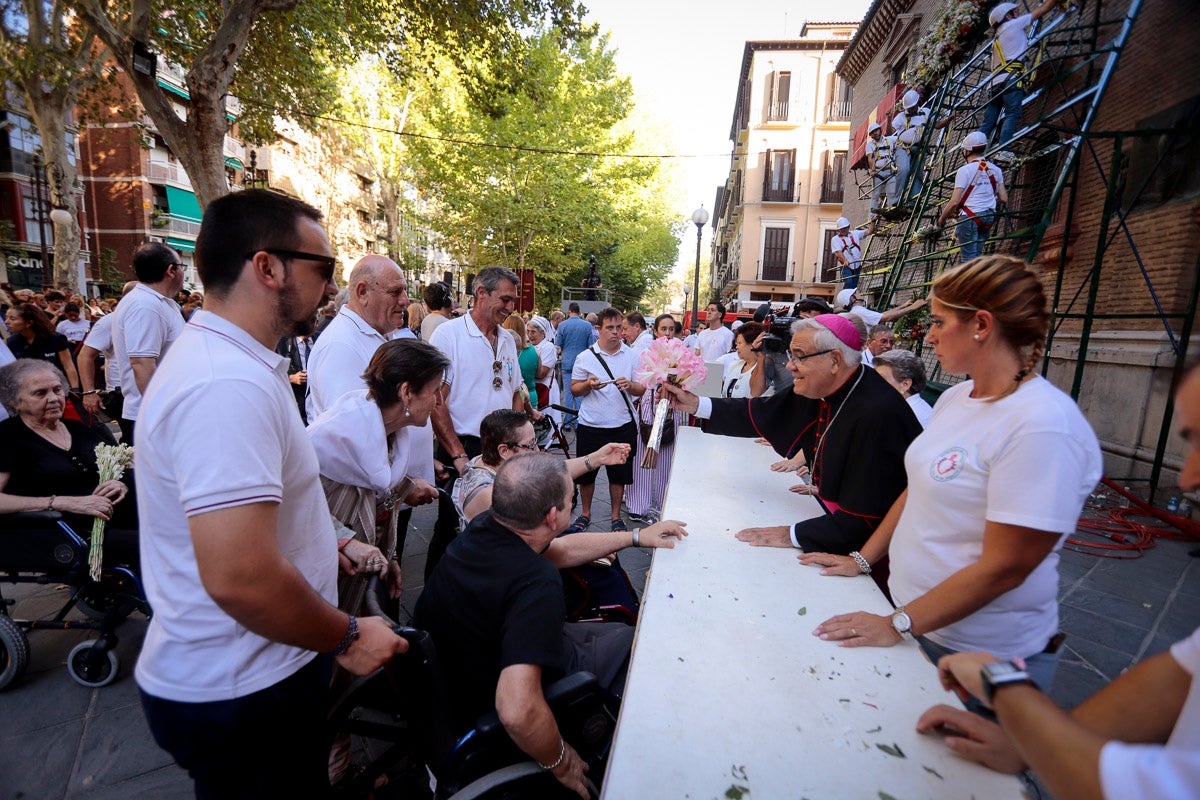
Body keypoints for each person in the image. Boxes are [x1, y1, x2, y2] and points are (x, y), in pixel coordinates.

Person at [133, 189, 406, 798]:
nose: (333, 288)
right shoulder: (223, 382)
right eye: (326, 270)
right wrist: (347, 635)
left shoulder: (237, 365)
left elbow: (257, 521)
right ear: (268, 267)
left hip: (249, 676)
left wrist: (324, 544)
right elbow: (240, 575)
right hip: (241, 689)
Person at [800, 256, 1101, 700]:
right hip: (914, 621)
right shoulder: (959, 396)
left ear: (981, 324)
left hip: (975, 653)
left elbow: (1005, 568)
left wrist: (897, 623)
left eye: (939, 321)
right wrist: (863, 560)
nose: (930, 334)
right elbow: (917, 489)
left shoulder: (1041, 425)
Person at [916, 362, 1200, 800]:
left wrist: (1006, 689)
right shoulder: (957, 397)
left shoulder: (1045, 423)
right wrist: (1025, 744)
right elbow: (1179, 674)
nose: (1188, 477)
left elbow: (1139, 787)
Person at [413, 453, 686, 799]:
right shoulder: (535, 582)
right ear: (554, 515)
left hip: (454, 676)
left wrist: (636, 537)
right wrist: (559, 760)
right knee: (640, 645)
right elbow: (516, 709)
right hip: (493, 703)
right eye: (572, 499)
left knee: (620, 634)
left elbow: (560, 549)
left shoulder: (486, 528)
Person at [663, 314, 922, 555]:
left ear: (834, 360)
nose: (789, 366)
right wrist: (696, 404)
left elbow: (869, 515)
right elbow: (761, 412)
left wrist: (794, 534)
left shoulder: (879, 412)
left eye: (799, 356)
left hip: (874, 549)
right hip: (828, 512)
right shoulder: (826, 385)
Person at [307, 339, 445, 611]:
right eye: (435, 391)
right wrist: (346, 541)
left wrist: (387, 553)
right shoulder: (330, 438)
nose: (439, 401)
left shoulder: (390, 432)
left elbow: (376, 489)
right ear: (407, 392)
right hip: (316, 593)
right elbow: (292, 504)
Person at [0, 360, 136, 561]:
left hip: (117, 517)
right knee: (159, 543)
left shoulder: (77, 428)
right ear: (15, 401)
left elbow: (123, 468)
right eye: (40, 393)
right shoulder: (7, 437)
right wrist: (60, 502)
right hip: (67, 534)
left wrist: (121, 484)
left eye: (57, 390)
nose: (54, 398)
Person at [429, 266, 540, 476]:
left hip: (503, 449)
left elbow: (516, 391)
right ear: (481, 293)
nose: (510, 307)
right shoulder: (448, 335)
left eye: (513, 301)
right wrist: (458, 455)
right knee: (461, 509)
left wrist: (516, 442)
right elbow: (436, 401)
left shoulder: (507, 339)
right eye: (505, 299)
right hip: (464, 446)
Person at [569, 307, 646, 533]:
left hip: (621, 424)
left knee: (618, 475)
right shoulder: (585, 357)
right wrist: (588, 385)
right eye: (610, 328)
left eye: (619, 328)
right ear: (599, 329)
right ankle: (585, 514)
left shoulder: (632, 356)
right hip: (590, 424)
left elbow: (641, 389)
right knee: (586, 474)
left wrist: (630, 385)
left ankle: (615, 517)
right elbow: (574, 389)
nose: (615, 333)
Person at [110, 242, 186, 444]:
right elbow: (142, 364)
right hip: (155, 417)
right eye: (182, 267)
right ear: (171, 270)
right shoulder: (145, 305)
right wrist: (162, 415)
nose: (183, 273)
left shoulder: (159, 302)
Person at [626, 314, 691, 524]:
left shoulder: (683, 352)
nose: (668, 333)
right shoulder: (646, 352)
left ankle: (663, 504)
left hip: (673, 406)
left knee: (667, 457)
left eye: (671, 329)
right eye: (663, 329)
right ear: (655, 331)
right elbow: (640, 381)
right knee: (645, 452)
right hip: (649, 405)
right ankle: (639, 504)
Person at [980, 0, 1057, 160]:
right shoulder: (1013, 25)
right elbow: (1045, 9)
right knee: (1012, 113)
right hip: (1010, 80)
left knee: (989, 122)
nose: (1018, 15)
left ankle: (973, 148)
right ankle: (1004, 150)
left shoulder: (997, 37)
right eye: (1015, 13)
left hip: (994, 84)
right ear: (1007, 16)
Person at [937, 131, 1008, 263]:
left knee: (969, 261)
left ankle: (972, 283)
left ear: (966, 151)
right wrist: (988, 203)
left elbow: (954, 201)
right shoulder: (996, 169)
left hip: (969, 217)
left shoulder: (965, 170)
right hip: (988, 216)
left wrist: (941, 221)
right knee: (977, 258)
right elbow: (1003, 198)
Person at [78, 283, 137, 427]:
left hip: (148, 390)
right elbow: (85, 356)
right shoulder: (109, 321)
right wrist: (89, 392)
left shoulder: (147, 317)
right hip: (122, 392)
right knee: (132, 440)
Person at [5, 303, 81, 394]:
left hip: (59, 388)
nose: (6, 322)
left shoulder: (55, 338)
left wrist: (75, 389)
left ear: (29, 323)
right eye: (6, 318)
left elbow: (68, 366)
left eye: (12, 319)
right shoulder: (12, 342)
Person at [556, 303, 595, 425]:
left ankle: (567, 421)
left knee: (568, 393)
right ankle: (578, 420)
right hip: (582, 363)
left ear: (569, 311)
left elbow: (558, 345)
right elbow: (591, 346)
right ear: (579, 312)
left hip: (567, 362)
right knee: (580, 393)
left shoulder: (562, 325)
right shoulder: (587, 326)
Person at [874, 348, 933, 427]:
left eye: (881, 379)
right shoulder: (904, 409)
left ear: (905, 384)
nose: (873, 383)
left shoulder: (905, 417)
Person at [721, 322, 773, 399]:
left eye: (739, 343)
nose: (737, 347)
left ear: (753, 344)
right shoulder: (734, 365)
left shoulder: (767, 367)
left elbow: (757, 394)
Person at [836, 287, 926, 330]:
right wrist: (913, 307)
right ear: (853, 299)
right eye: (856, 293)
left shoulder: (855, 312)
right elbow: (887, 317)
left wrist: (903, 306)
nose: (860, 294)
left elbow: (884, 315)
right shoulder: (859, 311)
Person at [276, 332, 313, 424]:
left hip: (316, 404)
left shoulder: (320, 339)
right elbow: (273, 373)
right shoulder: (282, 343)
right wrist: (292, 378)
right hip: (296, 403)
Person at [865, 122, 897, 212]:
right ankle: (873, 214)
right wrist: (873, 170)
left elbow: (901, 139)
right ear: (871, 135)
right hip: (878, 172)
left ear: (880, 130)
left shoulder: (891, 140)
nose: (875, 133)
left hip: (890, 170)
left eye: (876, 130)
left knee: (891, 192)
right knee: (875, 194)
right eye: (872, 132)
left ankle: (892, 211)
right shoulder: (870, 145)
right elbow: (870, 158)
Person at [830, 217, 868, 290]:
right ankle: (847, 297)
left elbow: (868, 232)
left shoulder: (855, 234)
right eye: (841, 228)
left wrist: (873, 222)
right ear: (839, 229)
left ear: (848, 227)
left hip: (857, 265)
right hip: (847, 266)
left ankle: (852, 299)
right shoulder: (835, 239)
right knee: (849, 282)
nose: (843, 230)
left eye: (845, 228)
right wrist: (844, 260)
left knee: (855, 286)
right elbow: (838, 252)